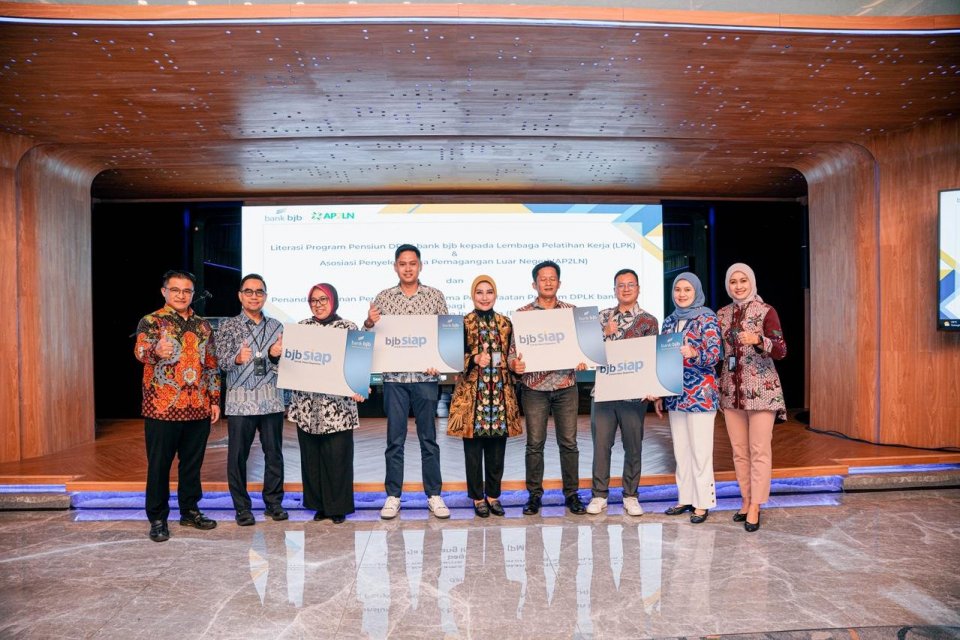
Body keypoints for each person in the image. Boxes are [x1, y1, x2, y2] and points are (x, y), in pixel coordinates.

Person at [134, 269, 221, 542]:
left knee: (192, 465)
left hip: (198, 406)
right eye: (176, 290)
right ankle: (158, 518)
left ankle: (190, 510)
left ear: (192, 294)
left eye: (186, 291)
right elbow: (139, 352)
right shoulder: (151, 322)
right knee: (159, 465)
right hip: (162, 407)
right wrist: (154, 351)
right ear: (165, 292)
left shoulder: (203, 326)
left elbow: (211, 365)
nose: (181, 295)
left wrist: (215, 399)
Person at [365, 244, 451, 520]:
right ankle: (393, 496)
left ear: (420, 266)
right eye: (402, 264)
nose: (408, 268)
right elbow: (369, 336)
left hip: (425, 377)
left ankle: (434, 495)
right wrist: (369, 322)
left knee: (429, 438)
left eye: (412, 263)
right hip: (395, 379)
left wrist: (438, 363)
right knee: (395, 439)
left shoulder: (435, 297)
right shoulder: (383, 298)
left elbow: (445, 337)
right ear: (395, 267)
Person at [509, 260, 588, 516]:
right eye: (543, 279)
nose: (548, 282)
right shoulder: (523, 315)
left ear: (559, 283)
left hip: (566, 386)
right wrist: (515, 365)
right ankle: (534, 495)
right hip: (534, 388)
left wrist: (584, 358)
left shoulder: (572, 312)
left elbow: (585, 349)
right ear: (534, 284)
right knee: (534, 444)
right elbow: (512, 354)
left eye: (552, 278)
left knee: (569, 443)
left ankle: (572, 494)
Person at [718, 263, 787, 532]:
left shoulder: (766, 311)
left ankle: (757, 505)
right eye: (733, 281)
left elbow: (781, 350)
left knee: (759, 450)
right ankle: (745, 500)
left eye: (743, 280)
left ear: (752, 282)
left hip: (762, 392)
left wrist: (759, 339)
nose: (738, 286)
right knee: (739, 451)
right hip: (731, 393)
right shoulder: (722, 314)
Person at [447, 275, 524, 517]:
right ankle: (477, 498)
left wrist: (515, 365)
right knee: (472, 453)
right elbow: (450, 359)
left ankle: (493, 495)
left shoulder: (506, 323)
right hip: (472, 399)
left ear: (495, 294)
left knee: (496, 451)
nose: (484, 297)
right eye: (479, 292)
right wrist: (473, 359)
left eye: (489, 292)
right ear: (472, 295)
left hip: (499, 396)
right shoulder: (463, 323)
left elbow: (513, 356)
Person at [288, 283, 364, 524]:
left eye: (323, 299)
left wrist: (359, 386)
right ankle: (318, 505)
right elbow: (290, 365)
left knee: (337, 458)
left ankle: (338, 506)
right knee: (312, 460)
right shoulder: (301, 329)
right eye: (313, 300)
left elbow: (358, 364)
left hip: (338, 410)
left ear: (334, 300)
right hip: (307, 407)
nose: (318, 304)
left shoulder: (348, 327)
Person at [215, 273, 287, 527]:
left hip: (271, 400)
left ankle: (274, 504)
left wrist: (275, 356)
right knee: (237, 456)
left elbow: (286, 365)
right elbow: (219, 364)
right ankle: (242, 508)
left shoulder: (277, 326)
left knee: (274, 454)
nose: (254, 296)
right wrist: (236, 358)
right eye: (249, 291)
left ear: (265, 296)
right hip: (240, 402)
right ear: (240, 295)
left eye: (259, 292)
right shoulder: (228, 326)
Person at [586, 268, 659, 516]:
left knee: (633, 446)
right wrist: (604, 335)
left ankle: (630, 495)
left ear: (638, 288)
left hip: (634, 395)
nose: (626, 289)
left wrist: (653, 388)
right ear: (614, 289)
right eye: (621, 285)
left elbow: (652, 358)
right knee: (601, 446)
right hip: (604, 392)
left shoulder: (649, 321)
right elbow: (589, 354)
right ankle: (599, 495)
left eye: (631, 285)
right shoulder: (602, 317)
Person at [653, 272, 722, 524]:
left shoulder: (707, 318)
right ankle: (685, 498)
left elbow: (715, 354)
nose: (681, 294)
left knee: (700, 452)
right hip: (675, 395)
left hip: (701, 395)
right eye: (677, 290)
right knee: (681, 451)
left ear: (696, 292)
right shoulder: (669, 321)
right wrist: (660, 391)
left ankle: (703, 503)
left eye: (687, 290)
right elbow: (663, 360)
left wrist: (694, 352)